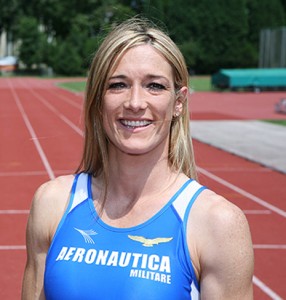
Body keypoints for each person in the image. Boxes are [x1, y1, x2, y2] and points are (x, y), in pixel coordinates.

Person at [22, 17, 254, 299]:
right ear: (98, 100)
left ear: (178, 102)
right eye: (118, 85)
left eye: (154, 86)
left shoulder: (217, 223)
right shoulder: (52, 204)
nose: (134, 102)